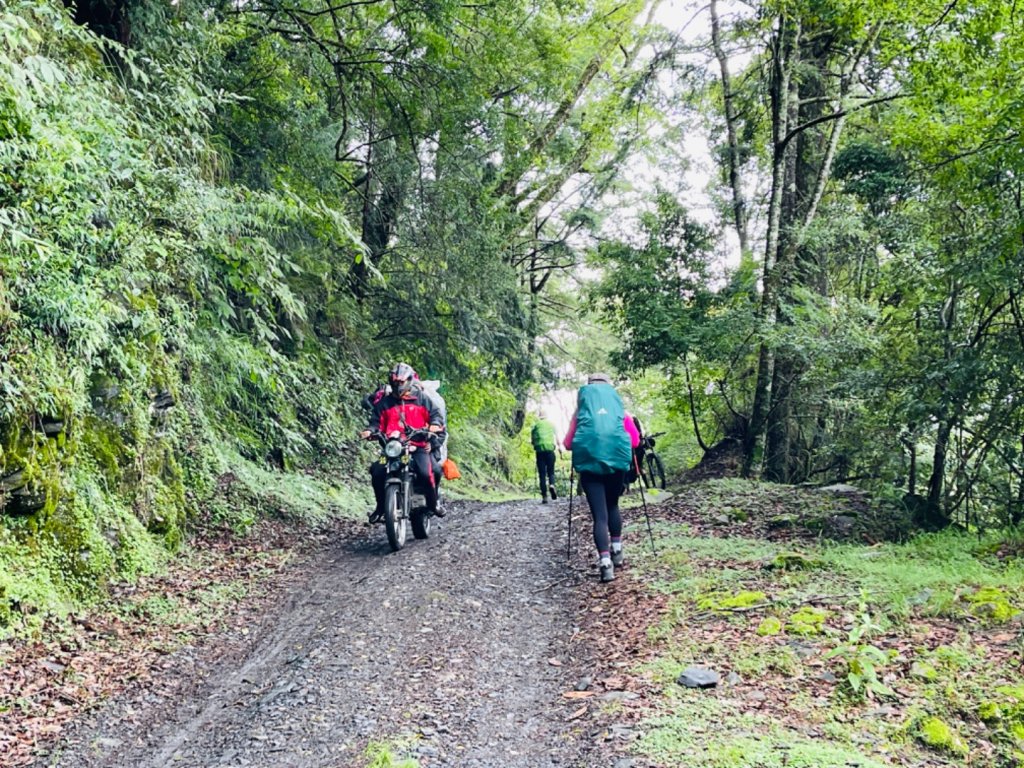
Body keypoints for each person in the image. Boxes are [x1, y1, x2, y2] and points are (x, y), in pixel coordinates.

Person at [563, 373, 640, 582]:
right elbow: (634, 441)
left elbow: (568, 444)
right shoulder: (620, 411)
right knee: (613, 505)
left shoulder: (580, 413)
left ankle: (605, 564)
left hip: (589, 467)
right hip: (617, 465)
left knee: (600, 516)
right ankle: (617, 551)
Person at [361, 363, 446, 522]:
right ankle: (380, 507)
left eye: (401, 382)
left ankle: (434, 504)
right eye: (395, 382)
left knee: (426, 473)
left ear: (408, 381)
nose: (398, 385)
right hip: (391, 449)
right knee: (377, 470)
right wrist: (370, 431)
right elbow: (375, 422)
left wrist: (434, 426)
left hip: (417, 447)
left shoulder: (422, 399)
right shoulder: (384, 402)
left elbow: (435, 415)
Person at [530, 416, 561, 503]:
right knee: (551, 472)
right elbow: (557, 438)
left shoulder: (535, 425)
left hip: (540, 453)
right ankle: (551, 485)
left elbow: (532, 440)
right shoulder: (551, 424)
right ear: (546, 416)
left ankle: (544, 497)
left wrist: (535, 444)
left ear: (539, 416)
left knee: (542, 474)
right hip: (550, 451)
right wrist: (559, 448)